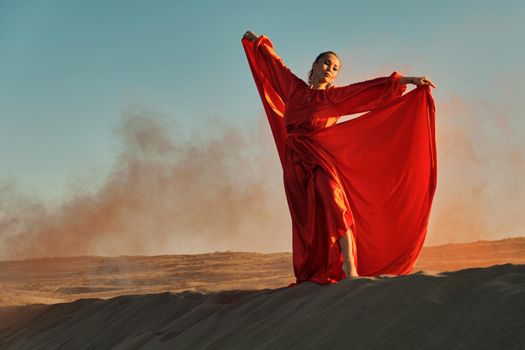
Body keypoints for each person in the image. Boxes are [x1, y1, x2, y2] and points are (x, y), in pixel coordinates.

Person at [241, 30, 437, 285]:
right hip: (294, 164)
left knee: (335, 203)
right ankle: (318, 266)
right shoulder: (294, 91)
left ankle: (350, 266)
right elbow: (277, 66)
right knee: (307, 220)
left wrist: (410, 80)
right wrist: (260, 43)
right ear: (314, 65)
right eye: (326, 63)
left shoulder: (333, 98)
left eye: (335, 68)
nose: (330, 69)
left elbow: (366, 90)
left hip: (321, 159)